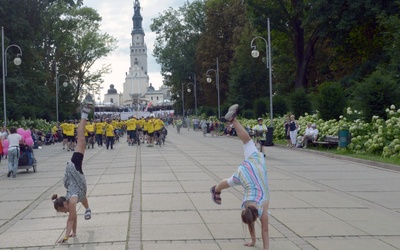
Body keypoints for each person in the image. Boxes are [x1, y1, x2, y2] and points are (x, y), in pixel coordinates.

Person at [210, 104, 270, 250]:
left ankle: (233, 120)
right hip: (245, 174)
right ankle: (216, 189)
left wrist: (261, 245)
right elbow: (257, 226)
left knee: (248, 141)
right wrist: (256, 243)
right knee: (230, 181)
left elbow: (265, 230)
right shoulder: (246, 207)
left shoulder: (262, 206)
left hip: (255, 169)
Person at [52, 102, 93, 244]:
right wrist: (74, 233)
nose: (65, 212)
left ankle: (84, 114)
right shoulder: (70, 200)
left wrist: (65, 236)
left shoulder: (73, 200)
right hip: (75, 174)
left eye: (63, 211)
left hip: (74, 169)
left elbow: (71, 219)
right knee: (80, 139)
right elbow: (73, 217)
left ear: (64, 205)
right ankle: (88, 209)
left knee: (81, 139)